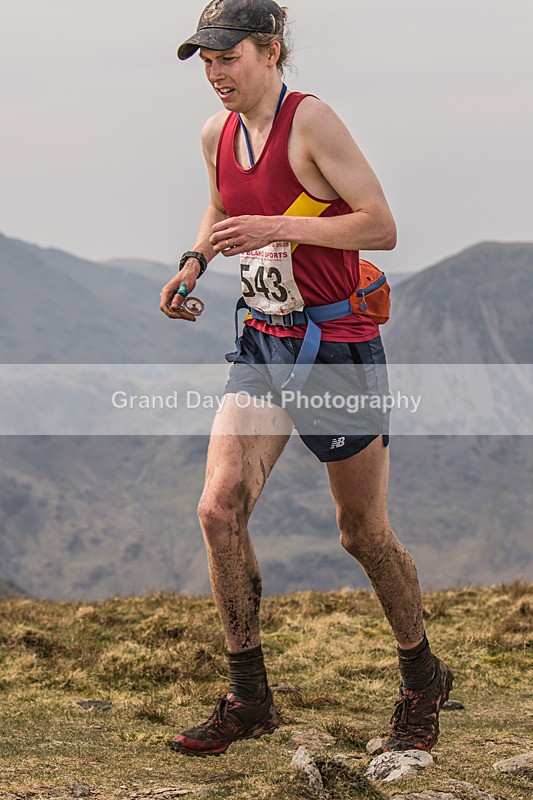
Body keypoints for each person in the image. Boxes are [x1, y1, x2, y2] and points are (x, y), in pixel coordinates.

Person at [160, 0, 453, 759]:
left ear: (271, 50)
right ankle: (248, 696)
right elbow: (224, 207)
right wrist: (193, 262)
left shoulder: (311, 122)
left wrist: (281, 227)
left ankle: (422, 679)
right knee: (218, 509)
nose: (216, 73)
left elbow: (379, 225)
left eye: (229, 57)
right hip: (263, 339)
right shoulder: (214, 134)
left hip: (335, 346)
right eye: (206, 59)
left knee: (360, 534)